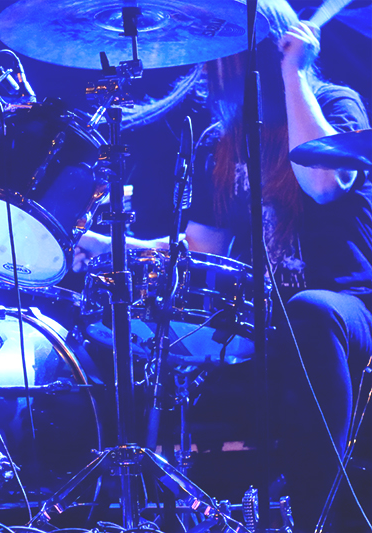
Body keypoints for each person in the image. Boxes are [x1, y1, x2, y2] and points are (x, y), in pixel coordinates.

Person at [74, 1, 372, 530]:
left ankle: (321, 518)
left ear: (256, 55)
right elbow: (198, 248)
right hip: (265, 319)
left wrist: (294, 73)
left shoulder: (333, 104)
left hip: (348, 308)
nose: (210, 73)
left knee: (310, 312)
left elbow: (324, 184)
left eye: (221, 59)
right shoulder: (221, 142)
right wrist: (106, 247)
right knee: (142, 335)